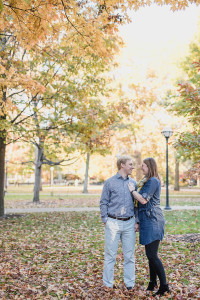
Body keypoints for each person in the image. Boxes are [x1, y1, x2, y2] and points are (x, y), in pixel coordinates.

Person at [128, 157, 170, 297]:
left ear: (150, 166)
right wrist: (139, 221)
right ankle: (152, 283)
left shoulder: (153, 181)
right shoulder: (147, 181)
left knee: (152, 255)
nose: (141, 168)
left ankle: (164, 286)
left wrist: (132, 190)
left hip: (153, 220)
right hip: (147, 219)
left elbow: (143, 200)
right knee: (150, 255)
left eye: (144, 166)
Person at [100, 155, 139, 290]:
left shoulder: (133, 183)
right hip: (113, 222)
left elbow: (136, 204)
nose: (132, 167)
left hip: (129, 223)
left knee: (129, 256)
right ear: (122, 165)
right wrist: (105, 220)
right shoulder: (110, 182)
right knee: (110, 255)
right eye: (130, 164)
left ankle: (129, 284)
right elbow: (104, 202)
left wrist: (137, 221)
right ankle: (108, 285)